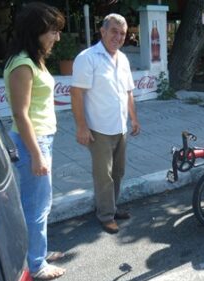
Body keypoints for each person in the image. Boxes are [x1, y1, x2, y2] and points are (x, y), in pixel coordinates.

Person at [3, 2, 66, 281]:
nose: (57, 37)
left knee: (40, 202)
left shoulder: (32, 60)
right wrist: (37, 155)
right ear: (36, 31)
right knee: (36, 205)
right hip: (34, 143)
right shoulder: (23, 64)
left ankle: (38, 249)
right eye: (53, 31)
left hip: (41, 139)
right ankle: (36, 264)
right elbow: (20, 114)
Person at [70, 13, 140, 234]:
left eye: (122, 33)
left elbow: (128, 92)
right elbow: (76, 93)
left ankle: (111, 206)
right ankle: (106, 215)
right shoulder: (87, 57)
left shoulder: (123, 59)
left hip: (120, 127)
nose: (118, 37)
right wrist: (81, 126)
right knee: (104, 175)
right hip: (98, 129)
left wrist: (134, 118)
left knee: (118, 172)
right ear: (102, 32)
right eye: (114, 31)